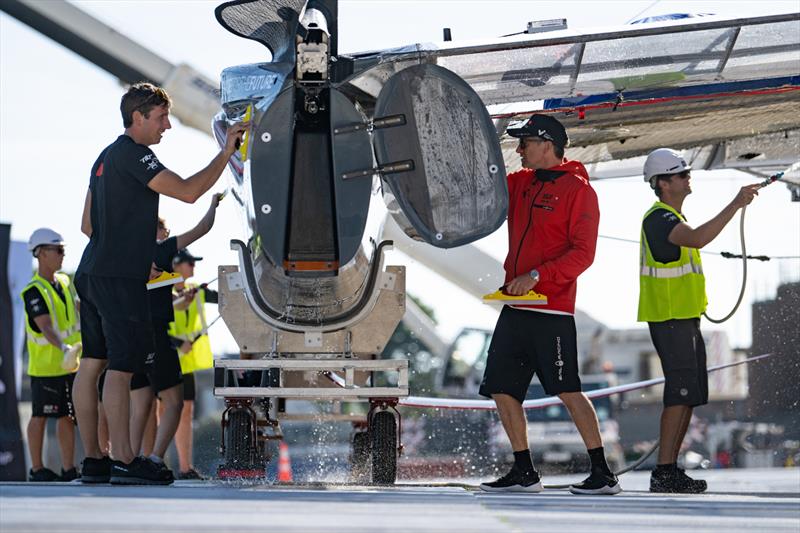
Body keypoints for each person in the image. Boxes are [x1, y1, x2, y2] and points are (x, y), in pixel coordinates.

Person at [73, 81, 246, 485]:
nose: (167, 125)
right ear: (138, 117)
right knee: (121, 367)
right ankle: (126, 460)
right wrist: (226, 153)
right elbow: (187, 192)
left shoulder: (104, 158)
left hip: (92, 271)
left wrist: (131, 255)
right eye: (161, 117)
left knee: (92, 364)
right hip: (117, 280)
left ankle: (95, 461)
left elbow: (87, 226)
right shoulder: (136, 155)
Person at [478, 114, 620, 495]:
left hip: (552, 310)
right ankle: (524, 472)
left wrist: (538, 276)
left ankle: (603, 473)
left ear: (546, 144)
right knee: (502, 390)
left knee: (568, 389)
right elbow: (483, 182)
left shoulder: (580, 191)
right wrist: (487, 132)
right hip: (514, 308)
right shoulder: (520, 182)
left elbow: (583, 255)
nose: (519, 148)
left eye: (524, 141)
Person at [638, 148, 760, 493]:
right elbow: (697, 238)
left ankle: (669, 470)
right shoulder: (658, 219)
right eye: (680, 174)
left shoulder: (671, 218)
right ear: (663, 183)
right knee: (678, 394)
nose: (687, 177)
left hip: (685, 320)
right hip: (670, 319)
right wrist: (735, 204)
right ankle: (663, 471)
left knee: (688, 395)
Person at [128, 203, 220, 475]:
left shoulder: (132, 257)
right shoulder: (161, 250)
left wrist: (181, 298)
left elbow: (162, 298)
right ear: (155, 230)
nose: (168, 232)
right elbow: (202, 228)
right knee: (175, 404)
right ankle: (156, 459)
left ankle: (132, 461)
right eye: (164, 228)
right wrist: (213, 204)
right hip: (158, 339)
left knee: (142, 406)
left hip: (135, 339)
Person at [21, 228, 82, 482]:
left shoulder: (65, 282)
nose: (62, 254)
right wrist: (64, 349)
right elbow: (45, 326)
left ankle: (68, 469)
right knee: (41, 415)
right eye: (57, 250)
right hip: (46, 367)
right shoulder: (34, 290)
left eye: (63, 250)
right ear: (40, 253)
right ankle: (37, 469)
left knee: (66, 416)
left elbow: (77, 309)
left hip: (70, 365)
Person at [167, 248, 219, 480]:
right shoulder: (161, 290)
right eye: (190, 263)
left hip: (186, 364)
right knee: (160, 412)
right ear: (176, 264)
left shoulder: (195, 291)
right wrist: (177, 342)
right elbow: (153, 320)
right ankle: (158, 461)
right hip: (165, 358)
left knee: (185, 412)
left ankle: (185, 467)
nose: (194, 267)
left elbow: (222, 297)